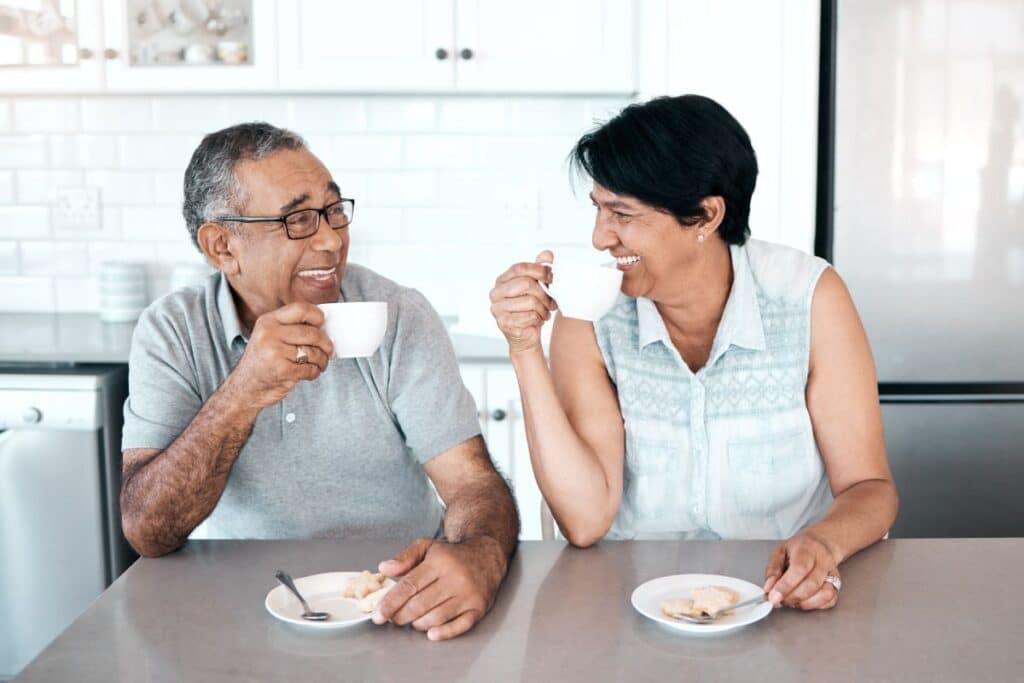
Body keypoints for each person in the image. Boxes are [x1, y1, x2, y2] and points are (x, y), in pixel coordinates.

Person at [489, 95, 898, 611]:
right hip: (634, 605)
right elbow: (587, 520)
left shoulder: (809, 297)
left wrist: (823, 544)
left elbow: (870, 486)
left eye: (622, 213)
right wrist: (525, 348)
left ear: (705, 215)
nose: (599, 238)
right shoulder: (591, 315)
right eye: (598, 209)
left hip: (781, 601)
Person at [120, 122, 518, 641]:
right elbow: (148, 530)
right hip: (236, 608)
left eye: (333, 211)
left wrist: (479, 558)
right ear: (222, 247)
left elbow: (472, 485)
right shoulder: (172, 330)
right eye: (298, 220)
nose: (332, 240)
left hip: (391, 597)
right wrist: (244, 391)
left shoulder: (399, 315)